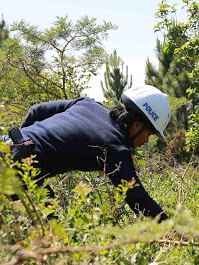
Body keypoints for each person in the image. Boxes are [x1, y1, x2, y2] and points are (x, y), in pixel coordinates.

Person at [1, 85, 171, 222]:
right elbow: (137, 198)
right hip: (16, 170)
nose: (146, 141)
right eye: (149, 134)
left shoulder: (87, 103)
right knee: (48, 235)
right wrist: (169, 228)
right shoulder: (115, 147)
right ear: (137, 125)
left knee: (46, 206)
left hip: (4, 144)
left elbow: (35, 111)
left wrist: (21, 145)